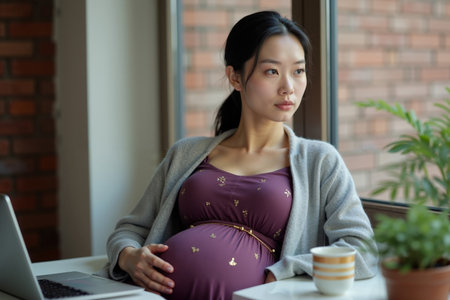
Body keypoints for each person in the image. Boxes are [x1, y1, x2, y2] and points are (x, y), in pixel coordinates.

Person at [104, 10, 377, 300]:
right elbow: (130, 229)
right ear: (235, 77)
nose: (288, 87)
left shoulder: (320, 160)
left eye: (298, 71)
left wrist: (288, 269)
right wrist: (128, 257)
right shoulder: (186, 154)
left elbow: (361, 248)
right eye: (271, 71)